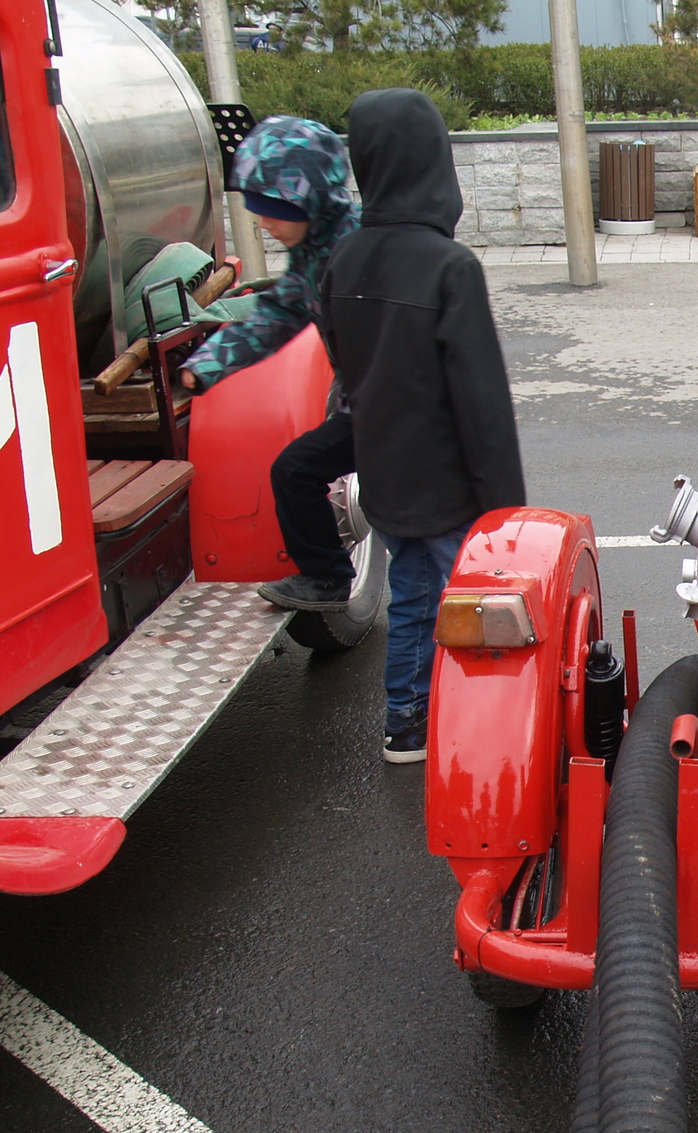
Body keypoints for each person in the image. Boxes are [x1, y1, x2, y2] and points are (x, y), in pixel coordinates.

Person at [260, 88, 526, 765]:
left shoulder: (344, 258)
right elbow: (481, 401)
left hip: (386, 474)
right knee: (477, 609)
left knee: (409, 600)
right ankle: (485, 735)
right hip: (448, 482)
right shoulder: (449, 267)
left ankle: (405, 725)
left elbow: (344, 365)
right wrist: (507, 512)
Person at [177, 116, 357, 395]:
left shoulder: (360, 250)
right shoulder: (310, 253)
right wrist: (209, 362)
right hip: (357, 396)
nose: (264, 223)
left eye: (275, 211)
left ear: (309, 201)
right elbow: (279, 313)